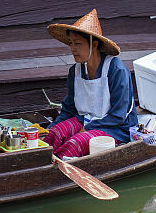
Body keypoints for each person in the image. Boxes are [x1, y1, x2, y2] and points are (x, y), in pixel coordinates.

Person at [44, 9, 137, 158]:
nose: (73, 49)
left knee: (74, 143)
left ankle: (56, 171)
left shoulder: (116, 70)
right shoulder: (76, 71)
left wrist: (88, 128)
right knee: (53, 135)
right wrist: (48, 130)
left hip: (116, 128)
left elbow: (119, 116)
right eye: (71, 43)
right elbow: (69, 110)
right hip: (85, 119)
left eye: (78, 44)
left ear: (94, 44)